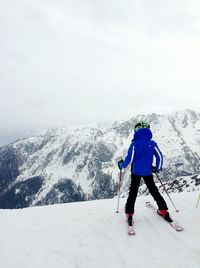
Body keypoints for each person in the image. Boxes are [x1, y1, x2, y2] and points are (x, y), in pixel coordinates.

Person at [118, 120, 171, 226]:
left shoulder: (134, 144)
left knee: (133, 192)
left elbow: (130, 158)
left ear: (136, 130)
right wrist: (157, 168)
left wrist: (122, 165)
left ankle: (129, 212)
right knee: (154, 191)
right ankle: (164, 210)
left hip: (136, 172)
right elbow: (159, 156)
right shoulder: (152, 143)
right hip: (147, 171)